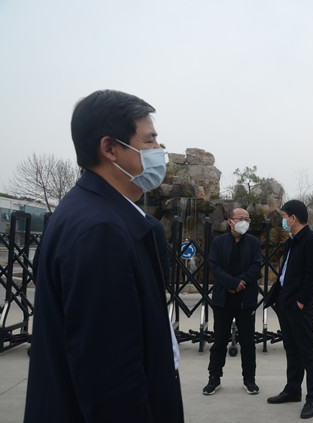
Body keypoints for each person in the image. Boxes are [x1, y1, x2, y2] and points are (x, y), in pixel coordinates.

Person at [25, 89, 184, 422]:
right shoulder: (101, 232)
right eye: (150, 140)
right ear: (110, 148)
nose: (159, 150)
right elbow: (112, 382)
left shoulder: (86, 211)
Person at [266, 199, 313, 419]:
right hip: (285, 301)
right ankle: (292, 390)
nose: (282, 220)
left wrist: (300, 301)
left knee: (308, 351)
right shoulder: (291, 241)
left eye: (284, 216)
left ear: (293, 217)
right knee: (291, 348)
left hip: (300, 304)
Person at [203, 208, 263, 396]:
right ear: (230, 221)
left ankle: (249, 379)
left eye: (247, 219)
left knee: (248, 341)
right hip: (223, 298)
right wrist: (231, 283)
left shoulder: (253, 243)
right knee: (219, 340)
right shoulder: (218, 242)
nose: (244, 222)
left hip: (246, 298)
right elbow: (214, 266)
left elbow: (257, 266)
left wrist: (241, 282)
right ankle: (214, 378)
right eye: (240, 218)